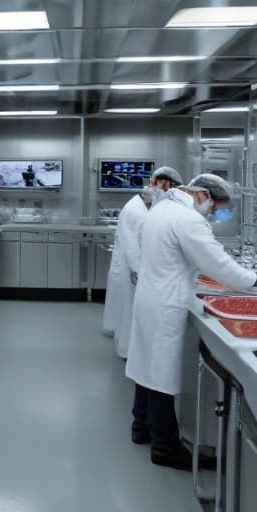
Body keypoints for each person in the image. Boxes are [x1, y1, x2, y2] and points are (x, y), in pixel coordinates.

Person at [125, 173, 257, 470]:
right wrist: (253, 280)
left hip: (150, 296)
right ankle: (165, 447)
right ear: (201, 195)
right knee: (160, 374)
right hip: (166, 301)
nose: (212, 214)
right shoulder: (188, 219)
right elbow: (217, 263)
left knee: (146, 367)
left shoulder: (161, 209)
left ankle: (140, 427)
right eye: (214, 207)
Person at [102, 166, 184, 359]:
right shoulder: (136, 211)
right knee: (130, 312)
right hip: (132, 269)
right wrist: (141, 273)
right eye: (169, 190)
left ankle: (127, 347)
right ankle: (127, 352)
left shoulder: (142, 205)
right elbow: (133, 248)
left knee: (126, 311)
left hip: (130, 268)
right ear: (162, 185)